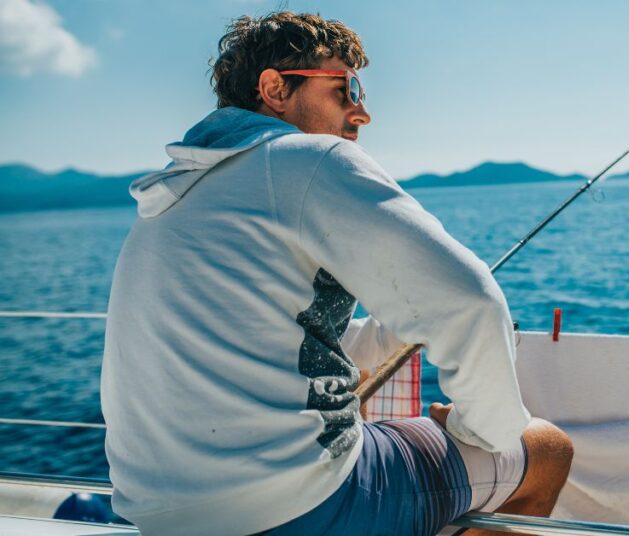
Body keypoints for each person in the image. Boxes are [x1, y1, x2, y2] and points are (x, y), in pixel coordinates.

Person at [100, 11, 572, 535]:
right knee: (546, 447)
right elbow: (470, 300)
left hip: (158, 517)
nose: (362, 111)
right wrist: (481, 431)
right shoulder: (305, 158)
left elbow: (258, 328)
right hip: (297, 507)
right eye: (346, 87)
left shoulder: (169, 198)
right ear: (275, 88)